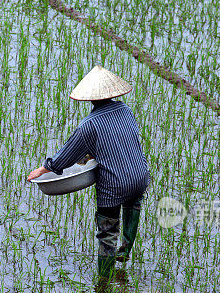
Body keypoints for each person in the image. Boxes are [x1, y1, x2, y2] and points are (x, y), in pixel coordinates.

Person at [27, 66, 150, 276]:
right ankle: (125, 250)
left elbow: (66, 156)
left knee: (107, 232)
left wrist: (43, 169)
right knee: (133, 203)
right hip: (140, 175)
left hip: (114, 185)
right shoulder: (125, 110)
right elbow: (120, 141)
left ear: (89, 99)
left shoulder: (89, 124)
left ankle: (104, 282)